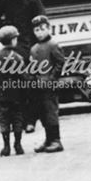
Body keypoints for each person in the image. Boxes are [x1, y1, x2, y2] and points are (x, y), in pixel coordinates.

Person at [0, 0, 46, 132]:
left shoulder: (33, 0)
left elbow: (41, 21)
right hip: (14, 46)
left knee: (30, 86)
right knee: (17, 87)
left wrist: (37, 42)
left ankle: (31, 121)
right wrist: (3, 29)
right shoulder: (7, 0)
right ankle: (21, 122)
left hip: (29, 46)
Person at [0, 26, 26, 157]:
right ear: (13, 40)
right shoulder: (17, 58)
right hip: (17, 96)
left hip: (1, 96)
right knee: (17, 119)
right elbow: (23, 78)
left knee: (4, 120)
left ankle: (6, 147)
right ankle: (18, 145)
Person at [30, 15, 65, 153]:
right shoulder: (34, 48)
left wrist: (52, 78)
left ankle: (56, 140)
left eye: (42, 29)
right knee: (43, 113)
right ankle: (48, 139)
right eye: (37, 30)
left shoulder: (53, 45)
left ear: (49, 29)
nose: (39, 32)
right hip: (38, 85)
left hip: (50, 85)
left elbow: (60, 63)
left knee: (51, 112)